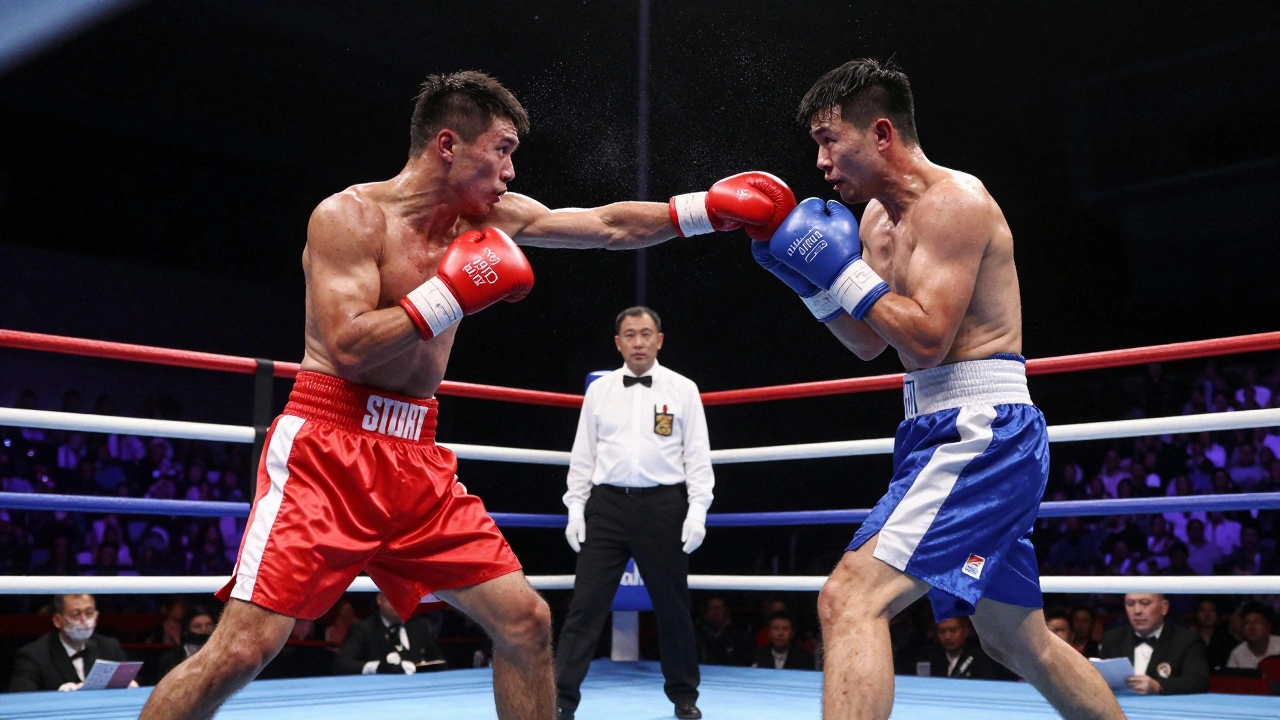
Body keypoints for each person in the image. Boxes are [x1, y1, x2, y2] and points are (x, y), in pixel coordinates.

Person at [138, 70, 794, 720]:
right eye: (501, 150)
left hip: (415, 460)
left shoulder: (485, 217)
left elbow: (606, 225)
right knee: (243, 650)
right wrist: (451, 292)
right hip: (327, 453)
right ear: (448, 144)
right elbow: (348, 344)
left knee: (526, 622)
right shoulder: (348, 218)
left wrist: (705, 212)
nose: (511, 171)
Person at [757, 58, 1125, 719]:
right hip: (935, 430)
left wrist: (836, 271)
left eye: (829, 140)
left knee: (851, 599)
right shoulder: (875, 221)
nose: (820, 162)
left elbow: (926, 337)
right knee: (1018, 640)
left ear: (881, 133)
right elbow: (870, 340)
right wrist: (807, 283)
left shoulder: (955, 204)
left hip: (981, 433)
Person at [556, 306, 715, 720]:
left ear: (659, 340)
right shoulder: (600, 391)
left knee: (672, 606)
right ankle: (559, 699)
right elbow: (583, 454)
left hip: (663, 506)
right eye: (630, 335)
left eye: (646, 334)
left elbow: (697, 455)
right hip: (606, 507)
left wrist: (697, 510)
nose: (639, 342)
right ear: (618, 342)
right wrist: (575, 508)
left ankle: (684, 697)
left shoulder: (683, 389)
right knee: (585, 606)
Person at [9, 594, 133, 692]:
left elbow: (134, 680)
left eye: (89, 613)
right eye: (76, 614)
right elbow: (20, 698)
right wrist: (56, 698)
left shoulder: (110, 647)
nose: (84, 621)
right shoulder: (33, 655)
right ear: (57, 620)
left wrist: (132, 685)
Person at [1098, 593, 1209, 695]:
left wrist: (1159, 686)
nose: (1137, 611)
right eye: (1130, 604)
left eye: (1145, 603)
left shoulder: (1185, 640)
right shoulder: (1112, 639)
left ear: (1164, 607)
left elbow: (1199, 681)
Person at [334, 593, 445, 675]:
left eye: (402, 598)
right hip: (379, 690)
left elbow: (439, 661)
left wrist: (423, 667)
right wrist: (377, 667)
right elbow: (343, 664)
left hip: (419, 688)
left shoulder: (419, 626)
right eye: (392, 597)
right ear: (379, 599)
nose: (398, 603)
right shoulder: (364, 629)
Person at [917, 617, 997, 679]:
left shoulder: (981, 658)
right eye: (942, 631)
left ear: (966, 631)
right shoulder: (929, 656)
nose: (947, 636)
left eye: (953, 630)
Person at [155, 606, 216, 682]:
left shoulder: (221, 656)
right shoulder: (169, 659)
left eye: (208, 625)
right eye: (197, 626)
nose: (204, 630)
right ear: (186, 629)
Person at [695, 596, 751, 667]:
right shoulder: (696, 636)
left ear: (726, 612)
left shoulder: (738, 637)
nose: (716, 612)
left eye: (719, 608)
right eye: (712, 608)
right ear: (705, 613)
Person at [1226, 602, 1280, 670]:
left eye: (1257, 622)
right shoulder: (1237, 655)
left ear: (1268, 627)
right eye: (1247, 623)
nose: (1251, 627)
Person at [1192, 598, 1237, 671]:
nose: (1207, 615)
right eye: (1202, 610)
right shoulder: (1190, 639)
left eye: (1211, 610)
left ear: (1217, 614)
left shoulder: (1227, 640)